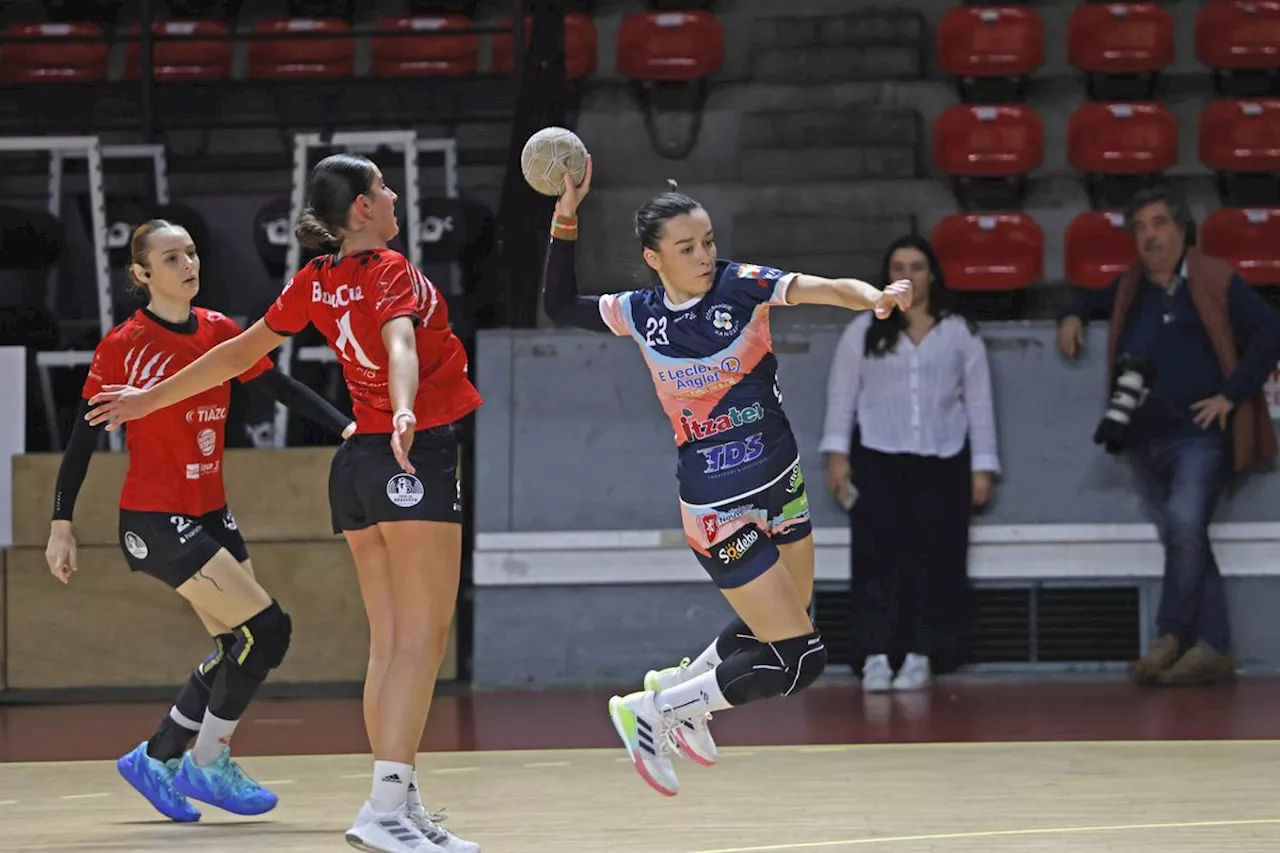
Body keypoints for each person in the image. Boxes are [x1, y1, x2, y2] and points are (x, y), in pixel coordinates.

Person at [84, 156, 483, 853]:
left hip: (355, 464)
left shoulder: (315, 280)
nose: (392, 196)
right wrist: (408, 405)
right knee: (421, 640)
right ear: (360, 209)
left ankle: (398, 797)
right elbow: (399, 341)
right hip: (409, 452)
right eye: (382, 187)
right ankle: (385, 809)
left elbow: (237, 354)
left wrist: (146, 398)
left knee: (390, 643)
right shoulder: (389, 269)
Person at [540, 157, 910, 797]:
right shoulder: (638, 312)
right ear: (654, 258)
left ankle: (678, 690)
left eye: (708, 241)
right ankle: (654, 712)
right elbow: (555, 305)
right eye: (686, 248)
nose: (704, 255)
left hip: (781, 484)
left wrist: (872, 296)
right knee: (800, 659)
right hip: (718, 509)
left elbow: (825, 287)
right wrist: (565, 218)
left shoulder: (743, 286)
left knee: (778, 619)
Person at [47, 219, 356, 822]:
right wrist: (62, 522)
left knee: (239, 644)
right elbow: (83, 439)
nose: (187, 264)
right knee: (265, 631)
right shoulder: (124, 345)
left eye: (191, 253)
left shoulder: (219, 330)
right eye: (170, 258)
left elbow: (279, 386)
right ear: (142, 275)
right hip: (156, 519)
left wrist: (345, 425)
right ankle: (207, 762)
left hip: (211, 512)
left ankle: (157, 756)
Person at [1057, 186, 1280, 686]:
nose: (1149, 236)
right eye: (1139, 228)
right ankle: (1215, 647)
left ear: (1181, 230)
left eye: (1158, 224)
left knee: (1182, 523)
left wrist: (1232, 394)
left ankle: (1171, 633)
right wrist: (1071, 314)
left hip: (1198, 435)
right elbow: (1087, 299)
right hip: (1142, 437)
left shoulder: (1214, 279)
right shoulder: (1132, 288)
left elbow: (1271, 331)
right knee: (1185, 535)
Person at [820, 234, 999, 692]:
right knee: (878, 558)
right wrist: (837, 455)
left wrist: (983, 466)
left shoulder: (959, 331)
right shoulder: (862, 330)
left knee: (936, 559)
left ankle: (924, 654)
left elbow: (978, 402)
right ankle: (876, 655)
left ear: (931, 274)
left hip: (942, 461)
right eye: (898, 266)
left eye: (916, 266)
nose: (907, 275)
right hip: (878, 459)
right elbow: (843, 396)